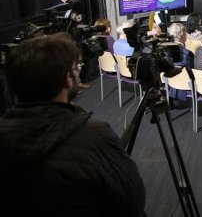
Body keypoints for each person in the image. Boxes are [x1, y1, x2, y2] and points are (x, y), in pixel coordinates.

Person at [0, 33, 146, 217]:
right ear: (67, 79)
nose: (78, 73)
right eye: (76, 68)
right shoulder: (95, 136)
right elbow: (132, 203)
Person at [167, 23, 195, 103]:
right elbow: (192, 73)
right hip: (185, 86)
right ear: (182, 35)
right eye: (185, 32)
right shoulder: (187, 54)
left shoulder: (165, 51)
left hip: (171, 85)